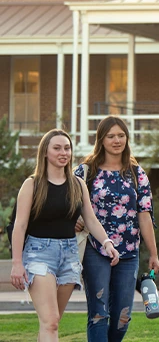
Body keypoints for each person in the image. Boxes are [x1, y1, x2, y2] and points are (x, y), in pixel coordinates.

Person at [9, 130, 120, 342]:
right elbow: (19, 226)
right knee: (50, 321)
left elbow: (91, 220)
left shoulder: (77, 184)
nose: (63, 153)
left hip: (69, 255)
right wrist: (16, 263)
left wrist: (107, 243)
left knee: (52, 322)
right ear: (45, 152)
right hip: (38, 254)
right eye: (57, 148)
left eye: (67, 148)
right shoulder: (32, 185)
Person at [76, 116, 159, 342]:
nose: (116, 140)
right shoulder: (86, 171)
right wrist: (74, 219)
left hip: (129, 251)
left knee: (123, 317)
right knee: (98, 313)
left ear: (127, 138)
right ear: (101, 140)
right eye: (110, 136)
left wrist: (153, 253)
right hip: (96, 250)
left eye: (121, 135)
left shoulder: (136, 173)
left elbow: (145, 214)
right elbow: (67, 205)